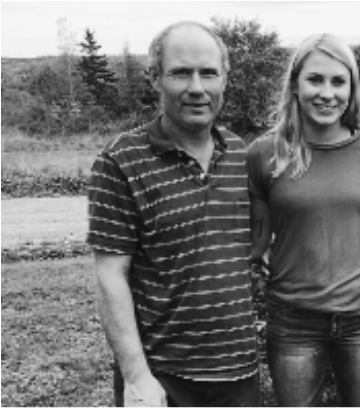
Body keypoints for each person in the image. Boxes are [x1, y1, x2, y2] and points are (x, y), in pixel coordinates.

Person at [87, 21, 260, 407]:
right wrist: (136, 378)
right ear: (155, 79)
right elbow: (110, 276)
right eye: (181, 73)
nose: (196, 88)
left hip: (240, 373)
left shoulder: (239, 152)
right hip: (163, 378)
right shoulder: (121, 161)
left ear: (225, 79)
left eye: (208, 73)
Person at [246, 33, 360, 406]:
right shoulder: (264, 154)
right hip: (293, 319)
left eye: (338, 81)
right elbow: (256, 240)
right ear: (295, 85)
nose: (327, 93)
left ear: (352, 90)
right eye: (315, 79)